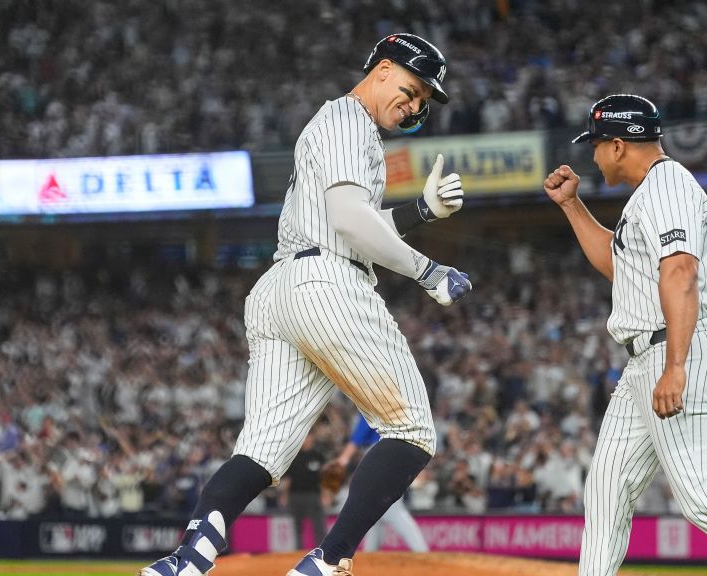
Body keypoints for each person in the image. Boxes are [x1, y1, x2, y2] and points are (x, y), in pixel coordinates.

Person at [140, 32, 471, 576]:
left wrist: (422, 211)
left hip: (283, 291)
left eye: (422, 100)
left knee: (262, 451)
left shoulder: (343, 124)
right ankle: (329, 560)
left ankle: (187, 558)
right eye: (412, 90)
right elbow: (349, 223)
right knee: (411, 431)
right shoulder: (349, 120)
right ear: (383, 69)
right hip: (326, 285)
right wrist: (427, 270)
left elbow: (353, 227)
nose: (414, 106)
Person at [543, 94, 707, 576]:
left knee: (706, 498)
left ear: (619, 145)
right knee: (607, 487)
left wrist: (675, 365)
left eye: (598, 145)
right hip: (646, 357)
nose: (594, 155)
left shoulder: (667, 186)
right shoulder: (650, 194)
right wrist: (572, 206)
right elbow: (620, 266)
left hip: (677, 347)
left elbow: (682, 271)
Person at [332, 414, 429, 553]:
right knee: (372, 507)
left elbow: (359, 435)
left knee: (391, 508)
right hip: (395, 449)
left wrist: (342, 460)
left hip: (382, 451)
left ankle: (422, 551)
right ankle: (370, 555)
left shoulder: (372, 404)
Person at [280, 433, 329, 549]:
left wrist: (326, 495)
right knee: (297, 526)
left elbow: (325, 477)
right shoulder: (293, 456)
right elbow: (287, 479)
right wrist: (284, 495)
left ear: (312, 438)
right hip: (295, 495)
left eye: (307, 436)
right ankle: (298, 551)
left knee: (318, 525)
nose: (305, 440)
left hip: (313, 495)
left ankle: (321, 551)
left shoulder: (318, 456)